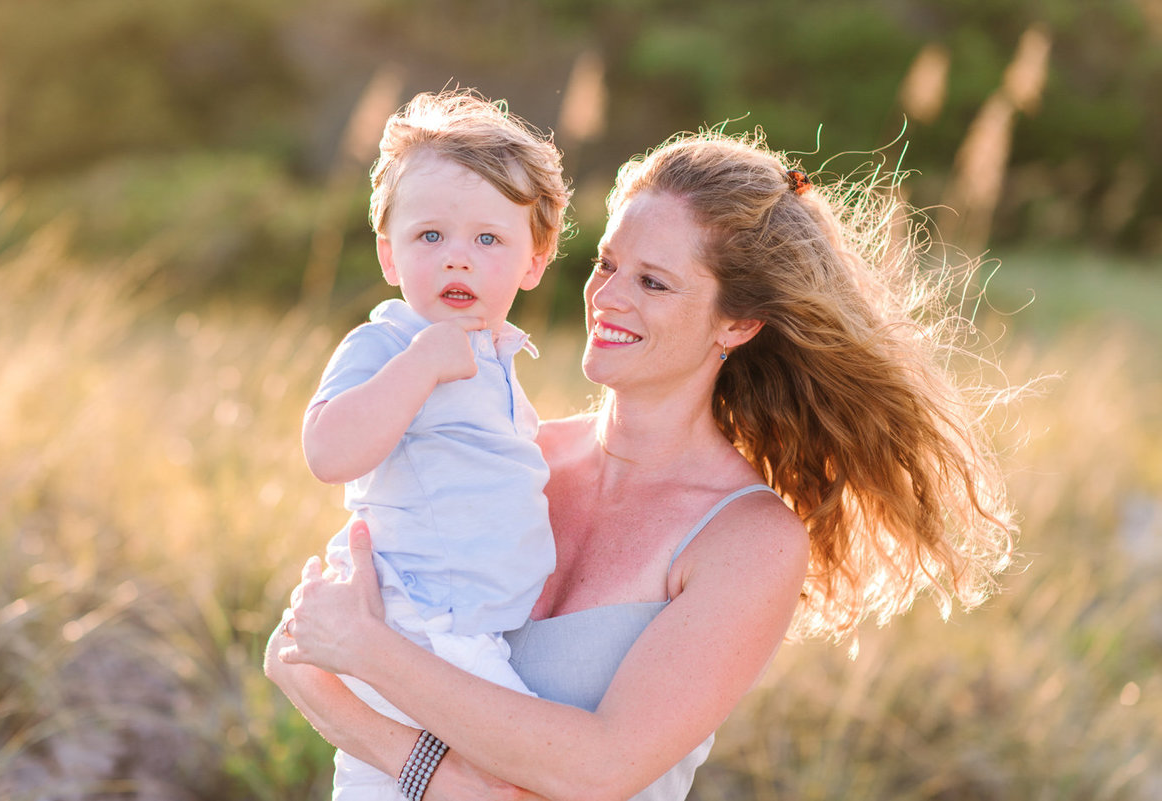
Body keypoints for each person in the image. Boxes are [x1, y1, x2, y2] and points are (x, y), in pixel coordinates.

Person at [267, 126, 1016, 801]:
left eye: (652, 282)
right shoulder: (508, 452)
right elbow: (296, 651)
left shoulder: (748, 540)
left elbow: (596, 770)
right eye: (607, 262)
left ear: (737, 322)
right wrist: (437, 767)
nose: (607, 297)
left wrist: (383, 682)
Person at [293, 89, 570, 800]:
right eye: (429, 237)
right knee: (530, 773)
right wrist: (418, 366)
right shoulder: (388, 340)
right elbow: (328, 451)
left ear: (533, 262)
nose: (458, 260)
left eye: (488, 239)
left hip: (472, 634)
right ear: (389, 255)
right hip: (421, 626)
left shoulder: (505, 363)